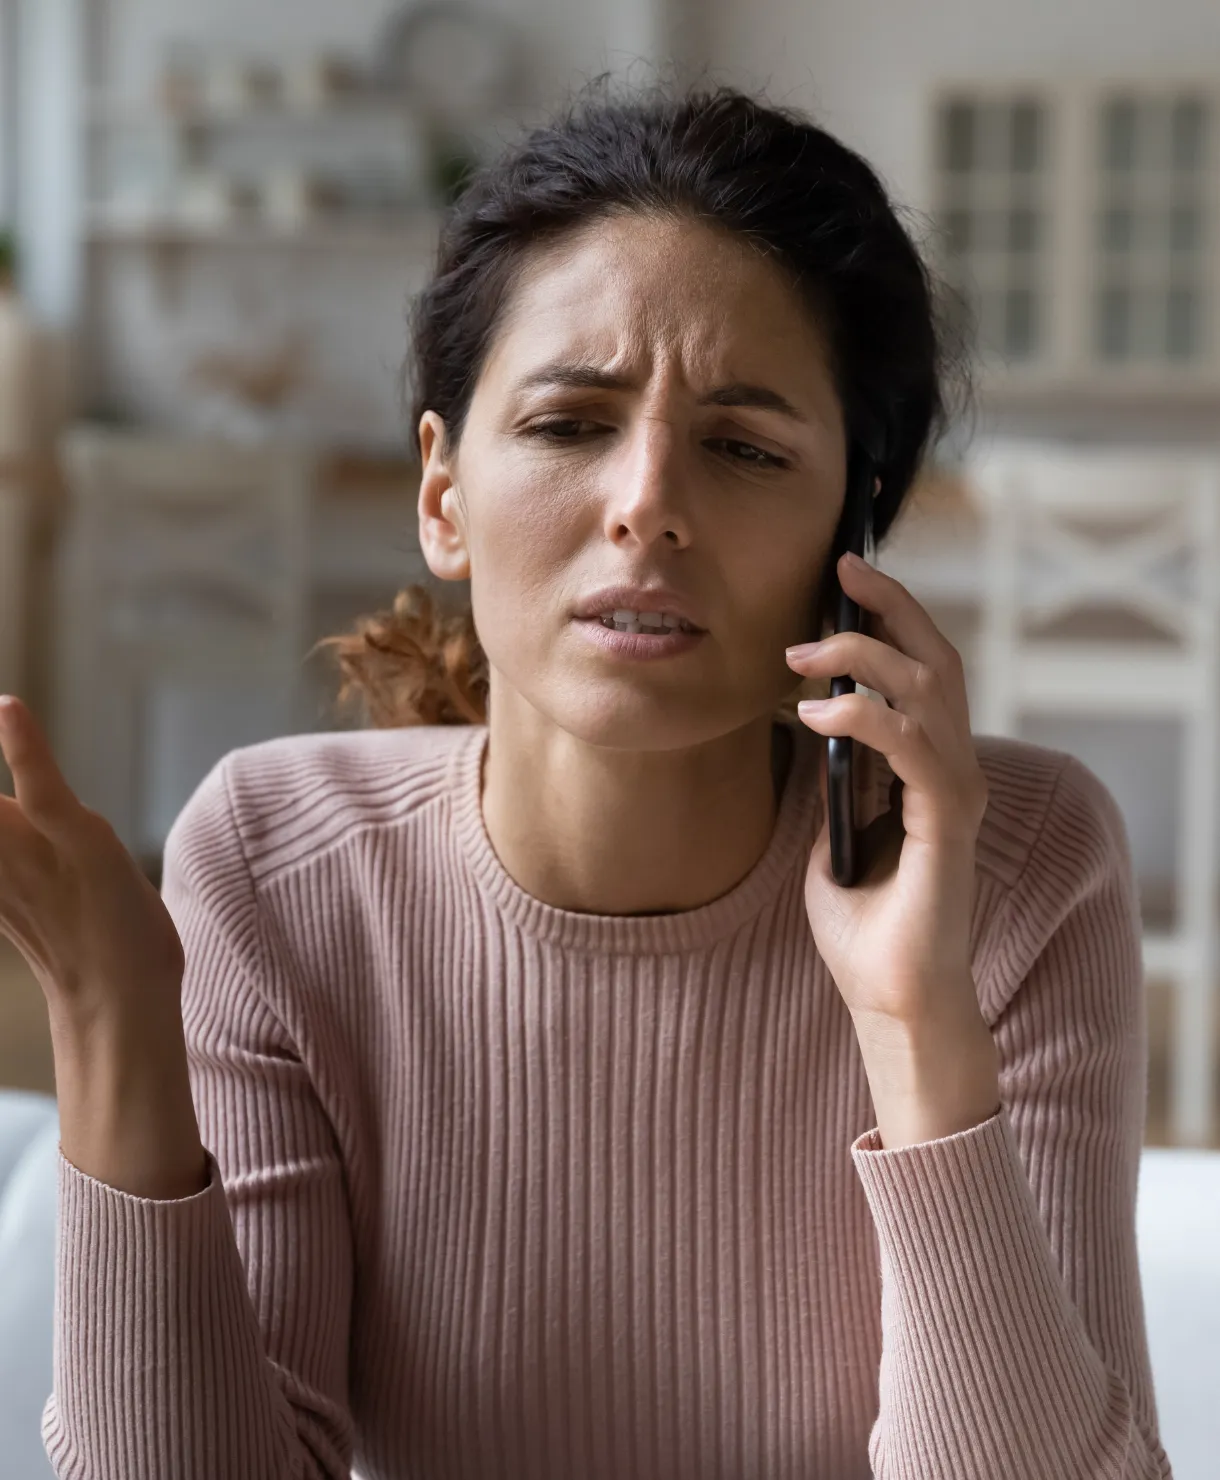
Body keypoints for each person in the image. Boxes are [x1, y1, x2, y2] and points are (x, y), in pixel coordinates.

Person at [0, 81, 1172, 1479]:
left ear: (852, 530)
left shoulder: (1017, 863)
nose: (646, 502)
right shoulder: (273, 864)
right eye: (568, 425)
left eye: (744, 447)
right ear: (443, 494)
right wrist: (112, 1020)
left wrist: (920, 1017)